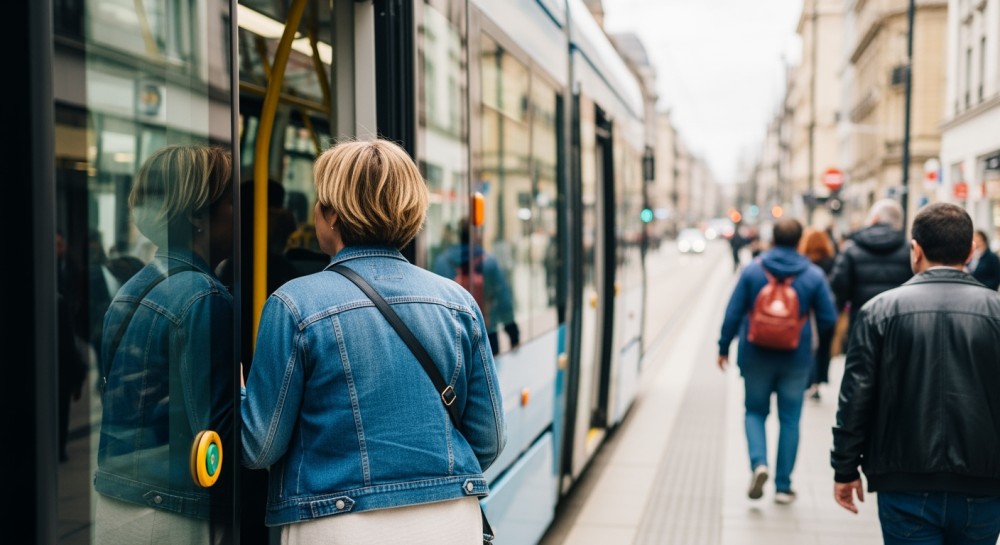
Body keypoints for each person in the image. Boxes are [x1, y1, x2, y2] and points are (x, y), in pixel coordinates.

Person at [241, 138, 507, 545]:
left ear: (330, 215)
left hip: (336, 523)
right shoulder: (458, 303)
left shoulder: (294, 304)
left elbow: (259, 447)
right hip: (453, 521)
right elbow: (488, 439)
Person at [831, 203, 1000, 545]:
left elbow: (856, 396)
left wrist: (845, 467)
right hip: (984, 483)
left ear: (915, 250)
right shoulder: (995, 312)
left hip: (904, 481)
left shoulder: (879, 311)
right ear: (970, 251)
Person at [94, 145, 235, 544]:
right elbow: (216, 435)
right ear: (197, 217)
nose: (241, 213)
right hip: (172, 513)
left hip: (116, 499)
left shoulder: (132, 289)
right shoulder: (204, 297)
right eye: (231, 202)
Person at [717, 218, 837, 505]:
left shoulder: (753, 270)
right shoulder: (812, 274)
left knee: (755, 412)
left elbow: (733, 312)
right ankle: (783, 486)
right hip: (795, 357)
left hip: (756, 353)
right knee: (790, 418)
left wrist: (723, 347)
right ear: (799, 241)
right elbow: (829, 318)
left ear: (772, 238)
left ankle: (759, 463)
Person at [431, 221, 520, 355]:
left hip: (450, 336)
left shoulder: (441, 262)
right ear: (477, 235)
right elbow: (503, 299)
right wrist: (513, 333)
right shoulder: (489, 262)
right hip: (487, 333)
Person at [828, 198, 912, 339]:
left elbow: (839, 288)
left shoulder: (851, 249)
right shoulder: (909, 251)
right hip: (899, 325)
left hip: (861, 322)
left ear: (875, 218)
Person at [798, 227, 837, 401]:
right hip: (825, 311)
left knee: (808, 346)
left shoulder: (804, 262)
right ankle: (818, 381)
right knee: (822, 348)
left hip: (806, 313)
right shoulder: (831, 260)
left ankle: (808, 380)